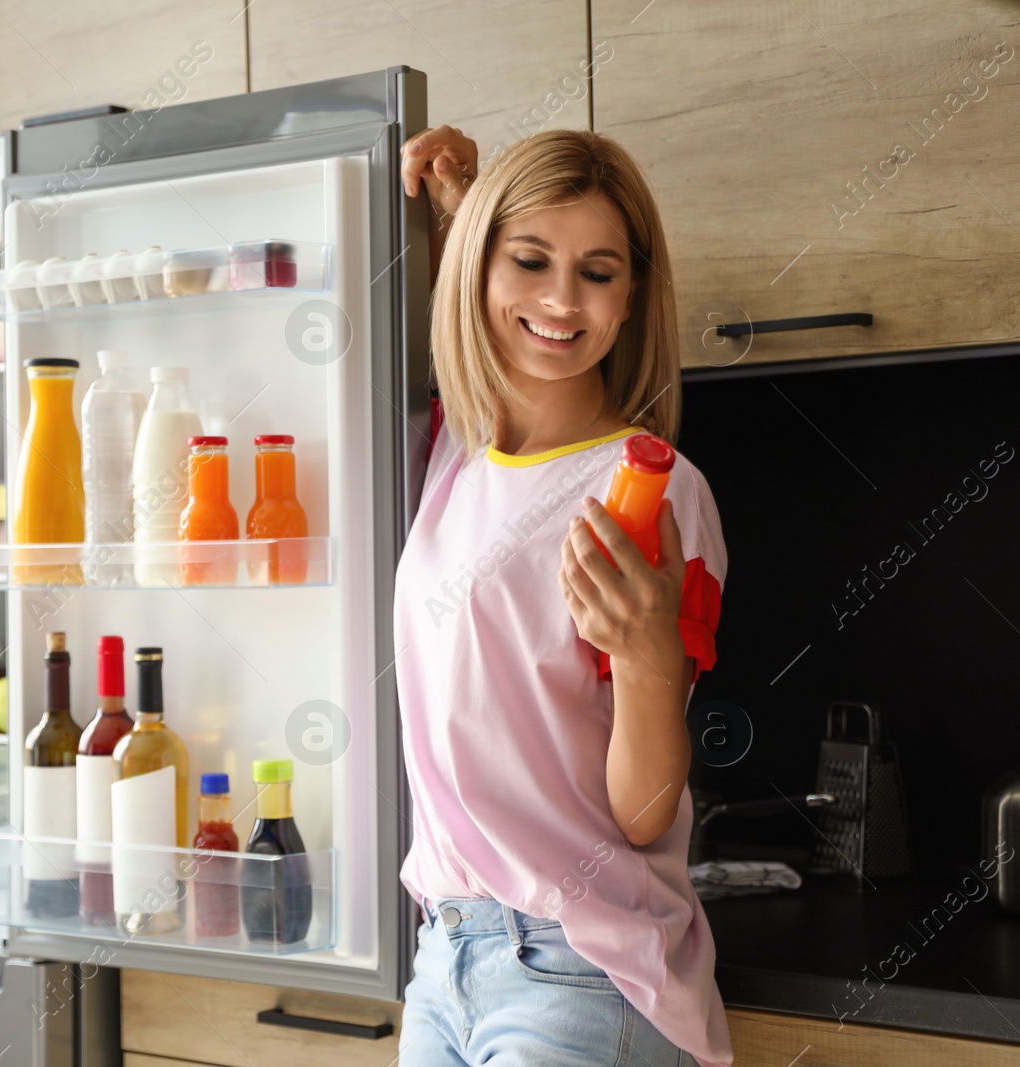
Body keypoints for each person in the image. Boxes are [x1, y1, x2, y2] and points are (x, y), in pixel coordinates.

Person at [395, 124, 731, 1067]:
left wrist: (651, 654)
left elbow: (644, 813)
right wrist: (457, 207)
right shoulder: (458, 456)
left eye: (598, 271)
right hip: (442, 963)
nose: (559, 299)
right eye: (531, 260)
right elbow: (481, 311)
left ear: (631, 298)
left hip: (584, 970)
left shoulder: (653, 488)